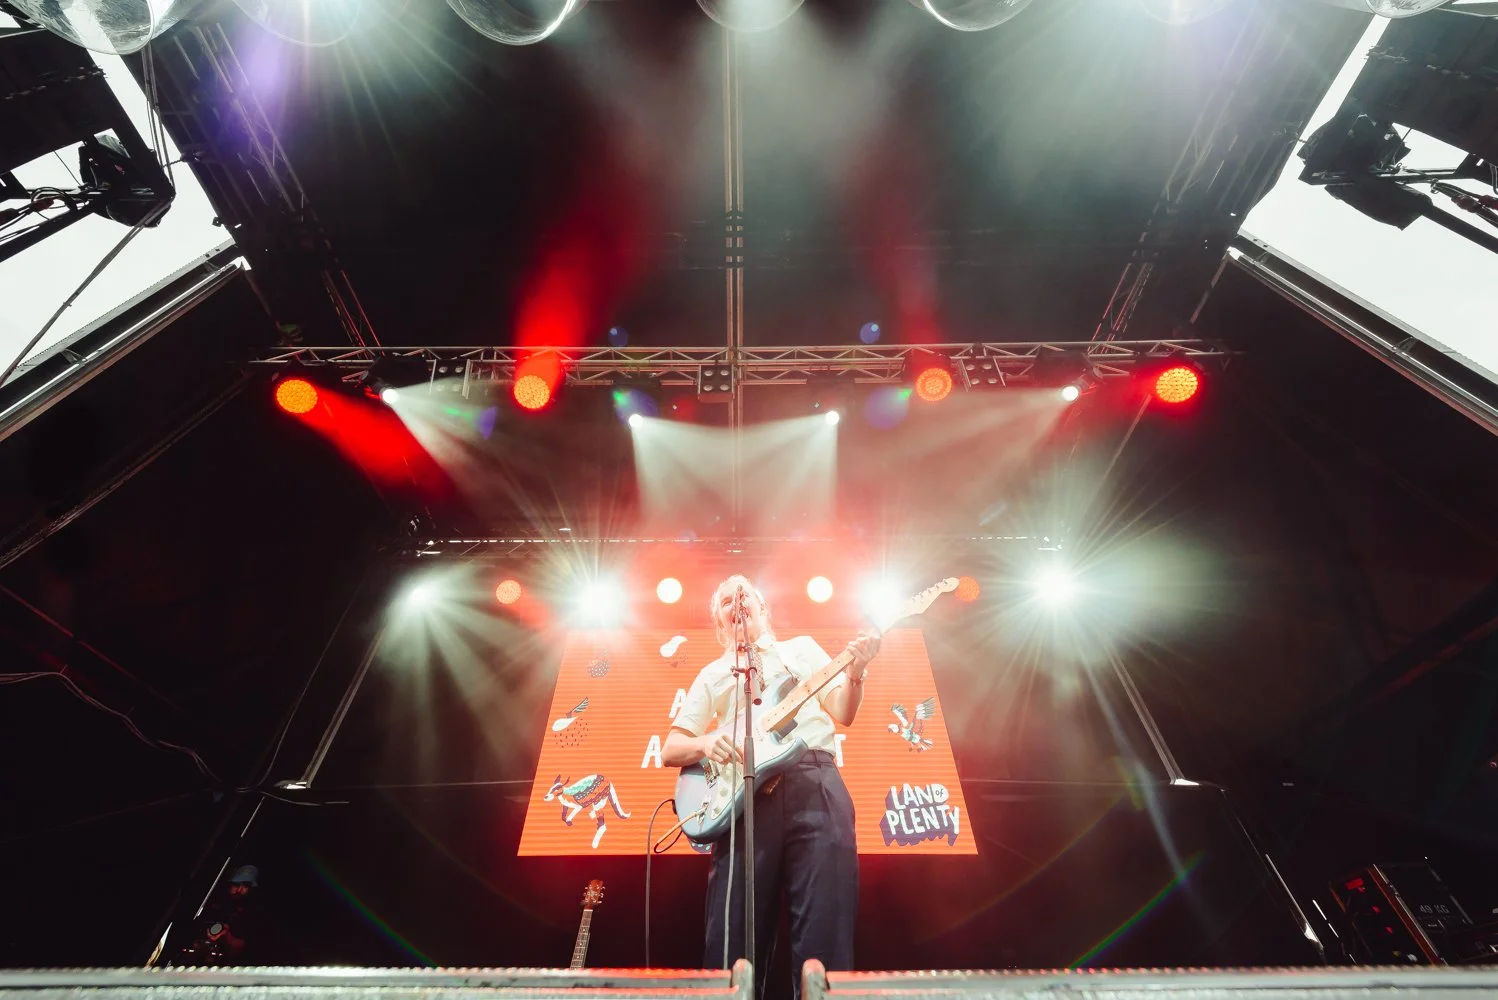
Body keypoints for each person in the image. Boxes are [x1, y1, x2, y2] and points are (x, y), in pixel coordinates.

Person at [662, 575, 880, 998]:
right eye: (726, 600)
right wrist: (705, 743)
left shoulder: (801, 650)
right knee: (731, 942)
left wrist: (856, 670)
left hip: (814, 782)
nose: (736, 603)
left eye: (743, 596)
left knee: (825, 936)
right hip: (745, 799)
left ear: (763, 608)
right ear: (720, 620)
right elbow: (671, 748)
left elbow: (843, 711)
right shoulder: (712, 674)